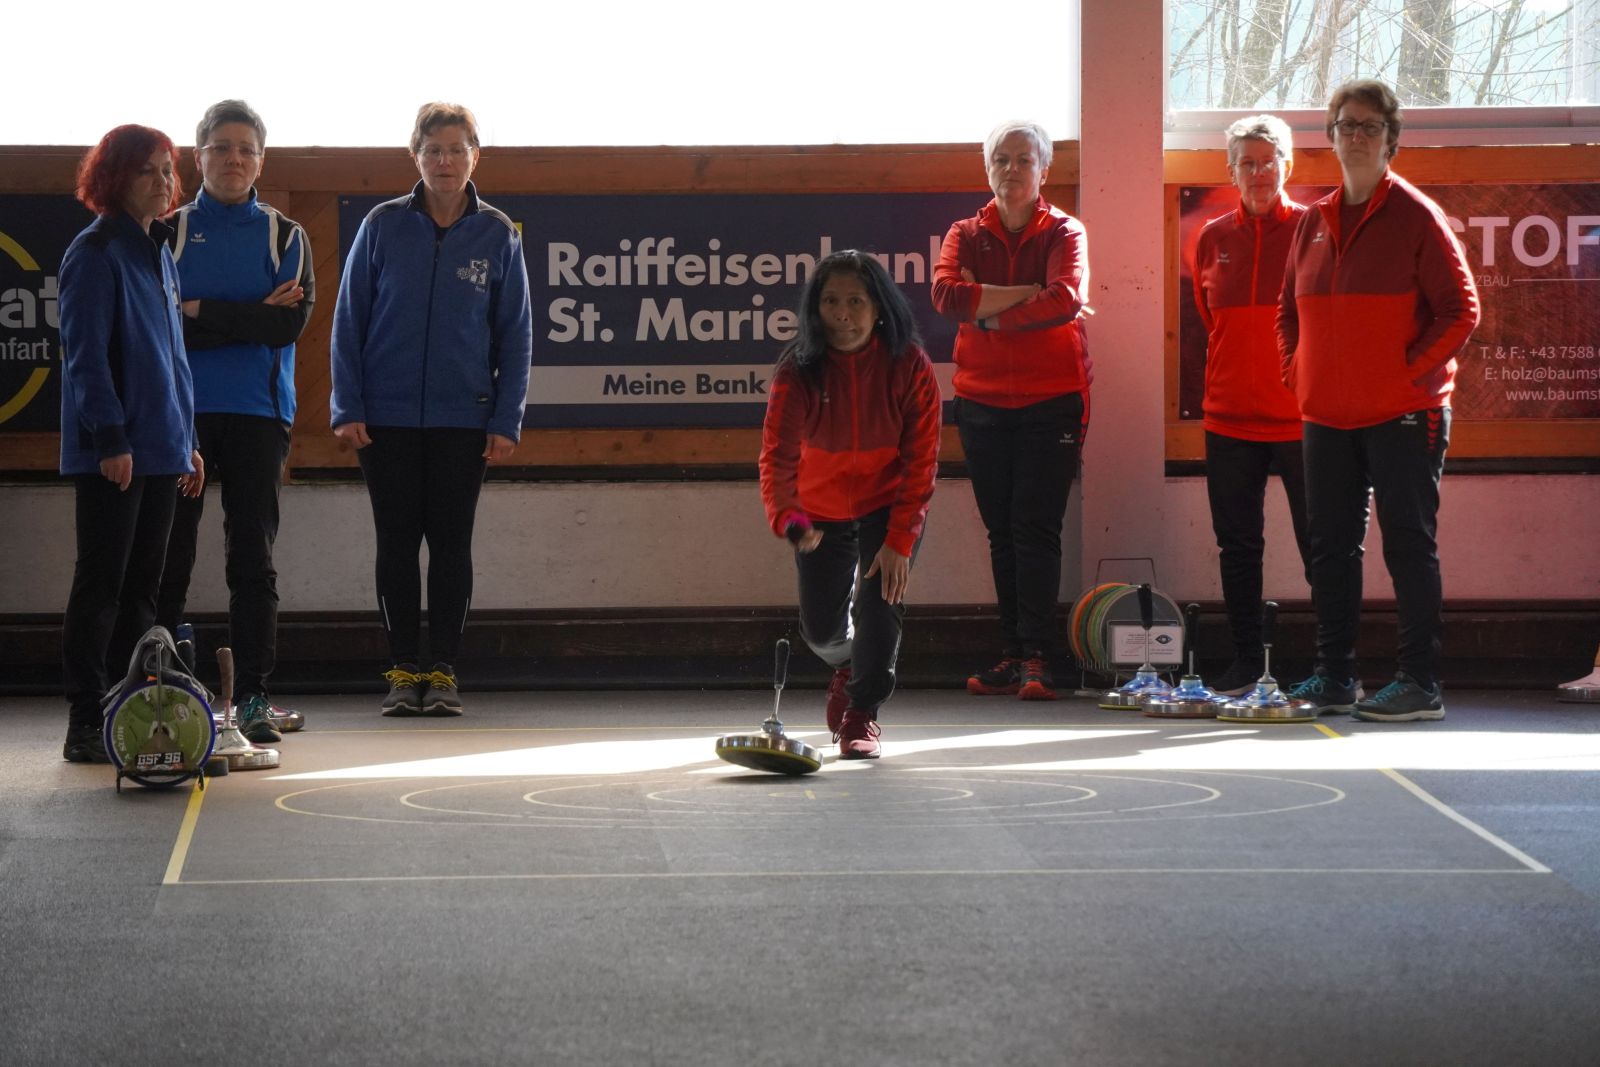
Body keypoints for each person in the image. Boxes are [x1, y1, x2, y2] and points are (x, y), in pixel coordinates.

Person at [1277, 80, 1479, 722]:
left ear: (1391, 140)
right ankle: (1336, 677)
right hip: (1325, 417)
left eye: (1371, 126)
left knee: (1408, 547)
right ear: (1331, 136)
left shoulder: (1417, 215)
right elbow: (1288, 314)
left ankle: (1420, 684)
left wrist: (1405, 375)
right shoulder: (1312, 221)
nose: (1357, 135)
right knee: (1329, 549)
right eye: (1347, 124)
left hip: (1404, 414)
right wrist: (1297, 371)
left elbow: (1461, 311)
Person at [331, 103, 532, 717]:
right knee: (396, 543)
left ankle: (442, 670)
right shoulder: (382, 224)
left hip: (463, 420)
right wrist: (347, 405)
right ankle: (401, 672)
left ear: (476, 155)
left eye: (456, 149)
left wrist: (505, 419)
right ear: (415, 156)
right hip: (384, 420)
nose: (445, 161)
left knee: (450, 544)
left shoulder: (498, 233)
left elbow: (517, 335)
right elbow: (348, 320)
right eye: (433, 150)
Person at [156, 100, 315, 744]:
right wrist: (245, 316)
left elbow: (285, 325)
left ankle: (251, 697)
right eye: (221, 147)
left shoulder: (286, 236)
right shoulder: (166, 232)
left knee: (252, 560)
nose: (233, 159)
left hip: (259, 415)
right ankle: (160, 688)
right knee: (169, 555)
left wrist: (198, 309)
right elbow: (159, 328)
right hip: (180, 417)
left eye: (246, 149)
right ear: (198, 157)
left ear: (261, 161)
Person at [931, 120, 1091, 701]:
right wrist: (1027, 293)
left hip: (1052, 402)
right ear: (988, 169)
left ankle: (1039, 657)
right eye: (1002, 159)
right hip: (981, 403)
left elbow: (1066, 299)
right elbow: (946, 296)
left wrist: (989, 313)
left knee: (1035, 530)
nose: (1012, 169)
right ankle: (1013, 652)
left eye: (1025, 159)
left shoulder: (1065, 231)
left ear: (1044, 170)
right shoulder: (965, 233)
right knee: (1002, 533)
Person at [58, 125, 203, 762]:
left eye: (169, 170)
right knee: (102, 588)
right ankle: (84, 722)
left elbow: (173, 360)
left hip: (164, 449)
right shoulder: (95, 252)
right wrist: (111, 438)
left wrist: (186, 439)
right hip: (114, 453)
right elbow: (85, 359)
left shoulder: (160, 253)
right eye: (149, 170)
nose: (164, 182)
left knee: (145, 590)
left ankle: (129, 711)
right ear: (115, 177)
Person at [759, 250, 941, 759]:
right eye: (831, 301)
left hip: (890, 504)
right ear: (815, 308)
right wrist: (790, 518)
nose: (842, 314)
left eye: (856, 301)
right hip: (819, 513)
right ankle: (846, 664)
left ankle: (862, 713)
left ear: (879, 307)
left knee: (881, 602)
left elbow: (922, 459)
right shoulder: (798, 370)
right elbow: (777, 456)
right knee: (821, 631)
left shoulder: (910, 365)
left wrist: (901, 539)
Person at [1191, 115, 1312, 696]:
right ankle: (1245, 662)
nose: (1259, 172)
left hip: (1305, 421)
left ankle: (1334, 666)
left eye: (1269, 161)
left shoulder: (1315, 230)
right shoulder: (1211, 237)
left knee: (1324, 547)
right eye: (1247, 162)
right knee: (1238, 548)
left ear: (1288, 165)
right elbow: (1210, 320)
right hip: (1229, 421)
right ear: (1231, 170)